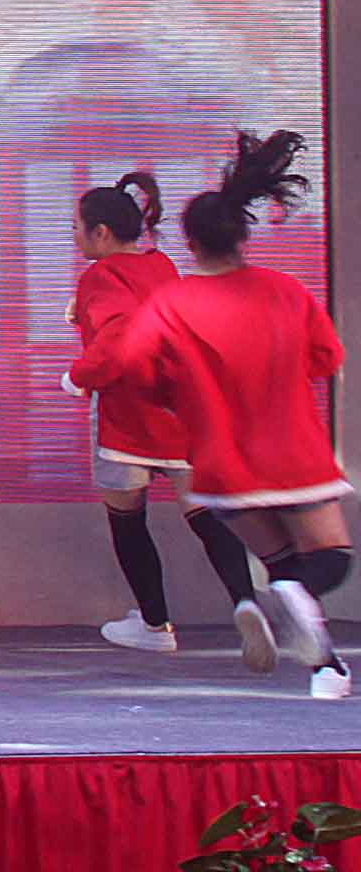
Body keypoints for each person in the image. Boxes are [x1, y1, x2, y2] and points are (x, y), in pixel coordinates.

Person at [110, 130, 351, 698]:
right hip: (293, 453)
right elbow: (327, 358)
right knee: (330, 559)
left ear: (190, 244)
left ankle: (327, 671)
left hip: (220, 467)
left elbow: (130, 367)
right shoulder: (285, 291)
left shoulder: (170, 302)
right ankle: (282, 604)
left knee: (283, 562)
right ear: (244, 235)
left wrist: (175, 395)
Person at [59, 171, 264, 659]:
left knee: (127, 519)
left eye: (77, 228)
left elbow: (119, 338)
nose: (74, 237)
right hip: (181, 413)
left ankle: (155, 625)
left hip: (127, 417)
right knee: (207, 517)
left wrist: (78, 375)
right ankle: (246, 603)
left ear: (101, 232)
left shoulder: (99, 276)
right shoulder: (161, 265)